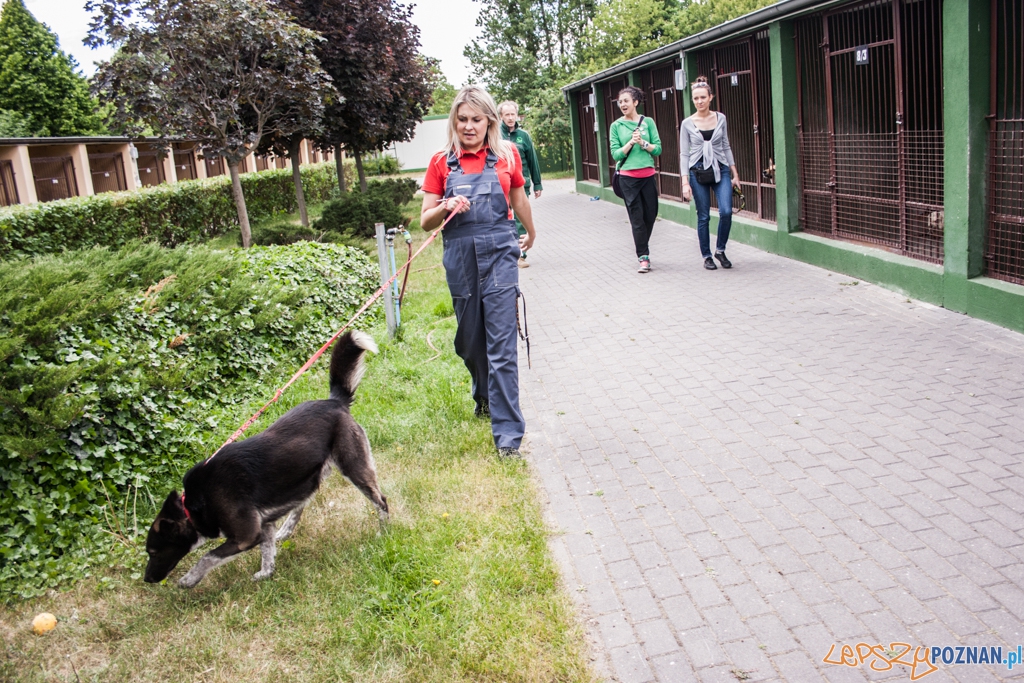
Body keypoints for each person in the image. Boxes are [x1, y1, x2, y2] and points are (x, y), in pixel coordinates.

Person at [420, 86, 537, 459]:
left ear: (489, 121)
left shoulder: (507, 155)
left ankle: (508, 437)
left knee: (502, 345)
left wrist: (530, 231)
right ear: (454, 121)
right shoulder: (441, 162)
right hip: (460, 258)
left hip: (500, 253)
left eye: (476, 119)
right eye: (462, 119)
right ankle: (483, 393)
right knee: (470, 342)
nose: (469, 126)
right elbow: (425, 220)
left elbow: (518, 197)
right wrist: (445, 205)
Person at [680, 75, 741, 270]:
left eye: (703, 97)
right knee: (703, 216)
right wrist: (685, 182)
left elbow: (726, 146)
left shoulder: (720, 118)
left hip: (720, 168)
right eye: (696, 98)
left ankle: (720, 250)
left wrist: (735, 174)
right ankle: (706, 256)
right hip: (697, 171)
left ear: (710, 97)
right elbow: (684, 154)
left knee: (726, 211)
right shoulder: (687, 123)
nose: (699, 101)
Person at [609, 85, 662, 273]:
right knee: (637, 218)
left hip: (647, 176)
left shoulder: (648, 122)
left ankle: (642, 244)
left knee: (651, 215)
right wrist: (631, 142)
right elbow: (616, 154)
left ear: (635, 102)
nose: (622, 104)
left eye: (626, 101)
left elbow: (658, 149)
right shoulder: (616, 126)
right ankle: (643, 257)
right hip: (628, 179)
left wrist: (642, 143)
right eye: (620, 102)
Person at [499, 100, 543, 268]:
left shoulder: (523, 136)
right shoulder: (494, 135)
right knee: (503, 218)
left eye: (513, 114)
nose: (510, 118)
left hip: (521, 184)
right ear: (501, 116)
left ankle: (520, 255)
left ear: (517, 115)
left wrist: (537, 184)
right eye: (507, 115)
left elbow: (533, 160)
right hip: (501, 185)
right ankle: (505, 252)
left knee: (520, 220)